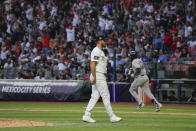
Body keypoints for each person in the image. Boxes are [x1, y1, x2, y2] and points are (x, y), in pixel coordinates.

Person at [82, 36, 122, 123]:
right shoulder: (96, 50)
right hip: (98, 75)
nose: (106, 42)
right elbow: (92, 64)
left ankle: (87, 115)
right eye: (104, 40)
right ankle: (112, 116)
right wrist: (94, 76)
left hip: (99, 75)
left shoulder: (100, 51)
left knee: (95, 96)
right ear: (100, 41)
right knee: (106, 96)